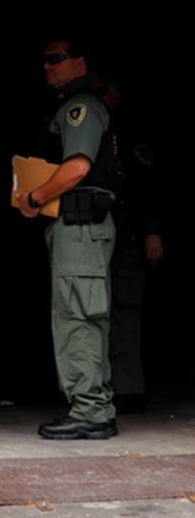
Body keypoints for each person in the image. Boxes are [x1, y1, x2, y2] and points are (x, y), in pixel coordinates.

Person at [16, 38, 120, 440]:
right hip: (78, 230)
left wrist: (35, 197)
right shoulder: (76, 105)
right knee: (83, 315)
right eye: (44, 60)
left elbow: (77, 168)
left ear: (79, 62)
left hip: (81, 228)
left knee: (79, 318)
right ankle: (95, 406)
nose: (47, 66)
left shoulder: (81, 108)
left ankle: (91, 411)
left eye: (55, 59)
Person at [97, 72, 165, 414]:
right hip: (96, 232)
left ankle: (128, 390)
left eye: (106, 92)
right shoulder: (90, 128)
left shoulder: (129, 132)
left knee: (124, 311)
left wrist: (153, 231)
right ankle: (98, 391)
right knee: (94, 312)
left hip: (128, 235)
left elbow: (146, 185)